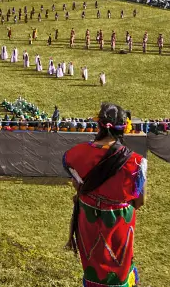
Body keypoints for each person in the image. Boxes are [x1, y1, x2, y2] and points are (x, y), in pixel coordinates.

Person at [63, 103, 146, 287]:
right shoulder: (136, 163)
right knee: (120, 268)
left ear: (99, 125)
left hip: (89, 219)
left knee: (93, 265)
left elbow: (76, 182)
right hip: (120, 223)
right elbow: (139, 202)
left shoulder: (75, 154)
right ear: (124, 127)